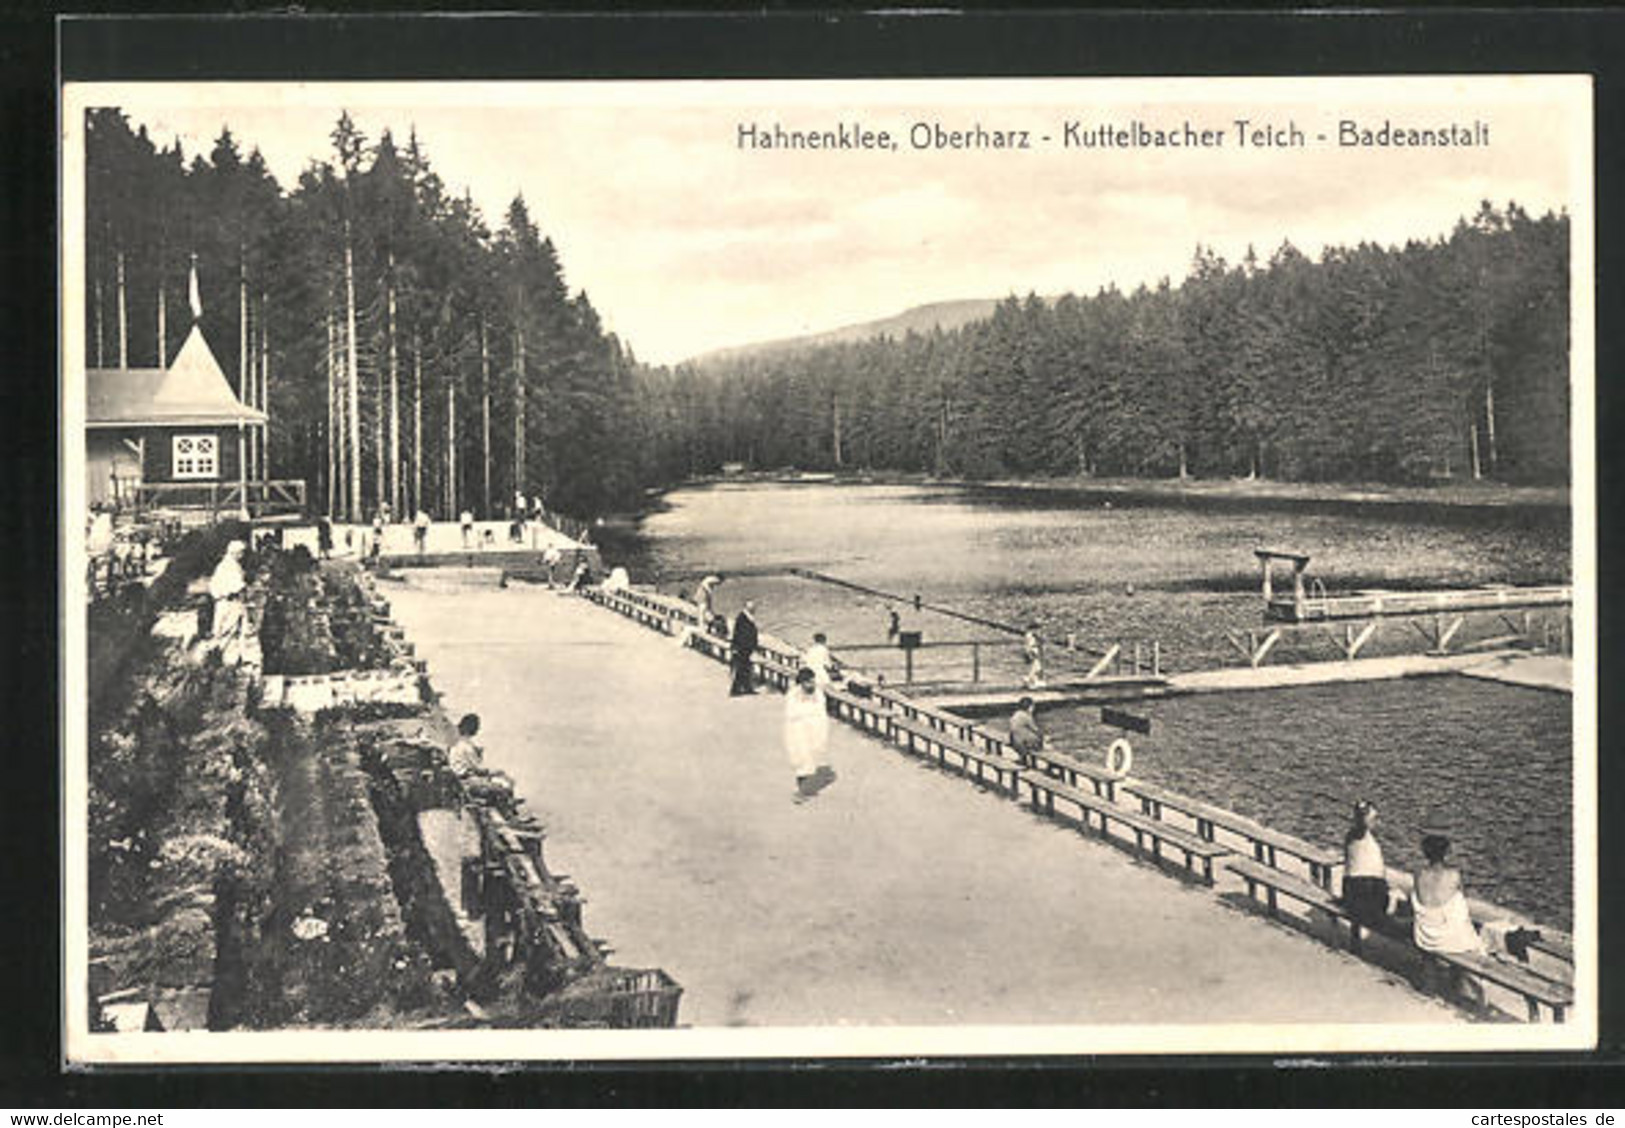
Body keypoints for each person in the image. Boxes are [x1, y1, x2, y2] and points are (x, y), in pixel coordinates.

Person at [1410, 833, 1484, 955]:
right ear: (1446, 853)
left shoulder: (1418, 874)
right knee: (1458, 898)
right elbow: (1462, 899)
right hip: (1448, 940)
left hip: (1424, 937)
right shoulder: (1454, 875)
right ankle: (1464, 937)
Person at [784, 667, 837, 803]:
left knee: (813, 757)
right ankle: (801, 791)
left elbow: (821, 713)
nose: (811, 685)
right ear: (801, 683)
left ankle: (805, 789)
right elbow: (791, 714)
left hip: (814, 730)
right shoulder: (793, 694)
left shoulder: (818, 694)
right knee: (802, 758)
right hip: (798, 731)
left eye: (813, 682)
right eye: (808, 682)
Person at [1341, 800, 1390, 927]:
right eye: (1373, 819)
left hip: (1353, 889)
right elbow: (1361, 826)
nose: (1376, 822)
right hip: (1364, 888)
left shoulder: (1351, 836)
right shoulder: (1359, 834)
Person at [447, 713, 513, 804]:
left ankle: (507, 810)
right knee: (503, 786)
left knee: (499, 784)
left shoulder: (457, 745)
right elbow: (478, 769)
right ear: (471, 728)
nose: (478, 729)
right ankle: (509, 814)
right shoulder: (466, 746)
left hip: (462, 781)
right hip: (468, 781)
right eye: (477, 726)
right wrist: (496, 772)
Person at [208, 540, 248, 662]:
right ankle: (227, 661)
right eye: (242, 552)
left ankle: (220, 658)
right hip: (230, 602)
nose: (243, 555)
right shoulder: (231, 566)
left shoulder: (223, 565)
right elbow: (238, 587)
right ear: (236, 553)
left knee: (222, 631)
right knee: (230, 631)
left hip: (222, 602)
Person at [729, 600, 760, 696]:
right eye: (752, 607)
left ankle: (747, 687)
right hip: (742, 647)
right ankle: (735, 690)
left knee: (746, 669)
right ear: (747, 608)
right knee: (741, 669)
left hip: (746, 647)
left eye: (754, 607)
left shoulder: (747, 617)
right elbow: (740, 634)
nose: (754, 609)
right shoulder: (742, 618)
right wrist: (736, 648)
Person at [1008, 696, 1045, 764]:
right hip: (1023, 744)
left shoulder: (1016, 714)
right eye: (1032, 706)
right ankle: (1034, 762)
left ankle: (1023, 758)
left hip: (1014, 741)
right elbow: (1035, 729)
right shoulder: (1026, 716)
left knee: (1025, 735)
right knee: (1039, 738)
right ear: (1029, 707)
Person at [1022, 622, 1046, 689]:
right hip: (1033, 650)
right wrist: (1029, 652)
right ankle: (1030, 680)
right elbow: (1029, 645)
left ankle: (1034, 680)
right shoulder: (1029, 635)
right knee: (1035, 666)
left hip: (1035, 650)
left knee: (1037, 666)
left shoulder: (1033, 635)